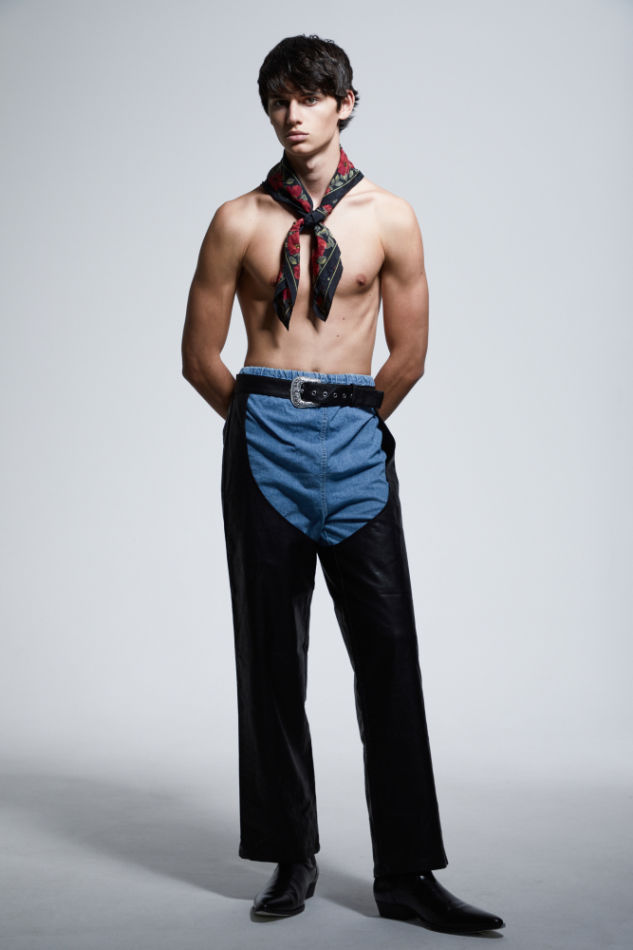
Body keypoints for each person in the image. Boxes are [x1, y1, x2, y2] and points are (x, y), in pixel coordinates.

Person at [181, 34, 505, 935]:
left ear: (345, 104)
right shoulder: (238, 220)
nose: (291, 115)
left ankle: (406, 873)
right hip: (263, 440)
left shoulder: (390, 218)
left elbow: (409, 353)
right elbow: (198, 357)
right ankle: (290, 856)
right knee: (271, 660)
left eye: (308, 98)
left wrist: (348, 421)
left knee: (389, 657)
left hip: (355, 439)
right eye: (277, 100)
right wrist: (262, 425)